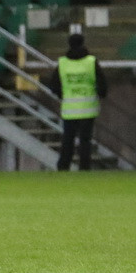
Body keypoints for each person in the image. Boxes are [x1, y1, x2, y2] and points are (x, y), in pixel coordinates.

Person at [48, 33, 107, 171]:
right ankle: (84, 167)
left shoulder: (63, 63)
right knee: (85, 141)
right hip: (88, 108)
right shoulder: (91, 62)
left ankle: (63, 166)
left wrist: (63, 95)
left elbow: (54, 85)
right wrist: (100, 94)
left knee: (67, 140)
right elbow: (102, 83)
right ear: (83, 42)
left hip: (69, 109)